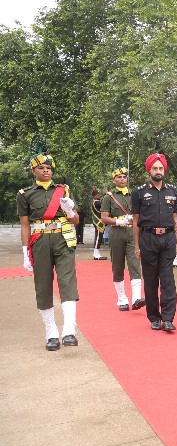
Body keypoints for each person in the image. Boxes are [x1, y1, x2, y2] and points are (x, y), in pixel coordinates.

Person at [18, 135, 80, 351]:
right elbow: (25, 225)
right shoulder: (25, 194)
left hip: (63, 240)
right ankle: (51, 332)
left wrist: (70, 209)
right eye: (42, 167)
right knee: (43, 286)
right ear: (33, 171)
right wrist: (26, 251)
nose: (46, 171)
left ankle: (69, 330)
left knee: (67, 283)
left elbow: (76, 221)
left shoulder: (63, 191)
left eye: (49, 168)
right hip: (40, 242)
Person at [132, 153, 177, 332]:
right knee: (151, 279)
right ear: (149, 170)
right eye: (155, 168)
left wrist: (176, 242)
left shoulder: (173, 191)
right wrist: (136, 245)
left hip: (168, 238)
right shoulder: (139, 192)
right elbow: (135, 221)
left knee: (168, 279)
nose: (158, 171)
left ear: (164, 170)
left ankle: (168, 318)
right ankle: (154, 317)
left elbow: (175, 218)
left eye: (161, 168)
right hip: (148, 238)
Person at [100, 158, 145, 312]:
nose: (122, 179)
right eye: (119, 177)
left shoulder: (135, 194)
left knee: (135, 264)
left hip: (133, 233)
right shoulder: (109, 197)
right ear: (113, 180)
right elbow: (104, 218)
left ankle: (137, 297)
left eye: (124, 177)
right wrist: (119, 222)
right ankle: (122, 299)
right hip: (116, 233)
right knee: (117, 266)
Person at [91, 189, 108, 260]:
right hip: (98, 222)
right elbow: (105, 203)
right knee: (98, 237)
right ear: (93, 197)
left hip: (100, 222)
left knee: (99, 237)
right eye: (97, 195)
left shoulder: (98, 202)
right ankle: (96, 254)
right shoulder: (96, 203)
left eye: (99, 195)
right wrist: (107, 194)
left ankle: (96, 253)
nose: (99, 196)